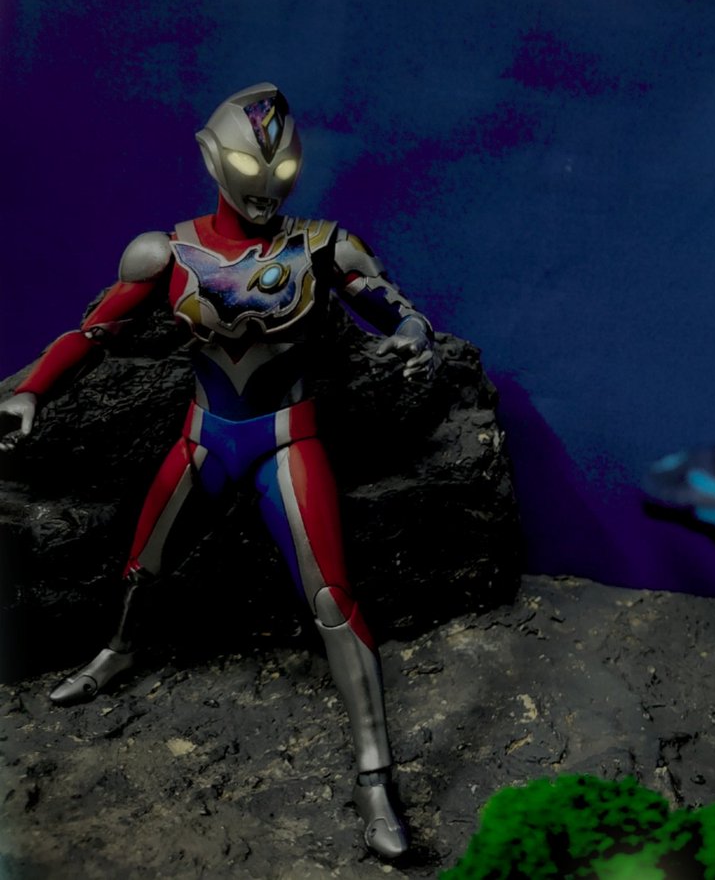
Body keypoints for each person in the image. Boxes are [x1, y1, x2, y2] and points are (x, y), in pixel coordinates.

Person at [0, 82, 435, 859]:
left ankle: (375, 779)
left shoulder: (323, 246)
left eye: (283, 168)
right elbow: (93, 332)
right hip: (203, 440)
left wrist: (412, 334)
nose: (267, 185)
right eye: (248, 166)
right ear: (212, 159)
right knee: (144, 562)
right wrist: (32, 389)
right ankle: (120, 650)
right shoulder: (164, 253)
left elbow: (391, 303)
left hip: (287, 442)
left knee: (333, 600)